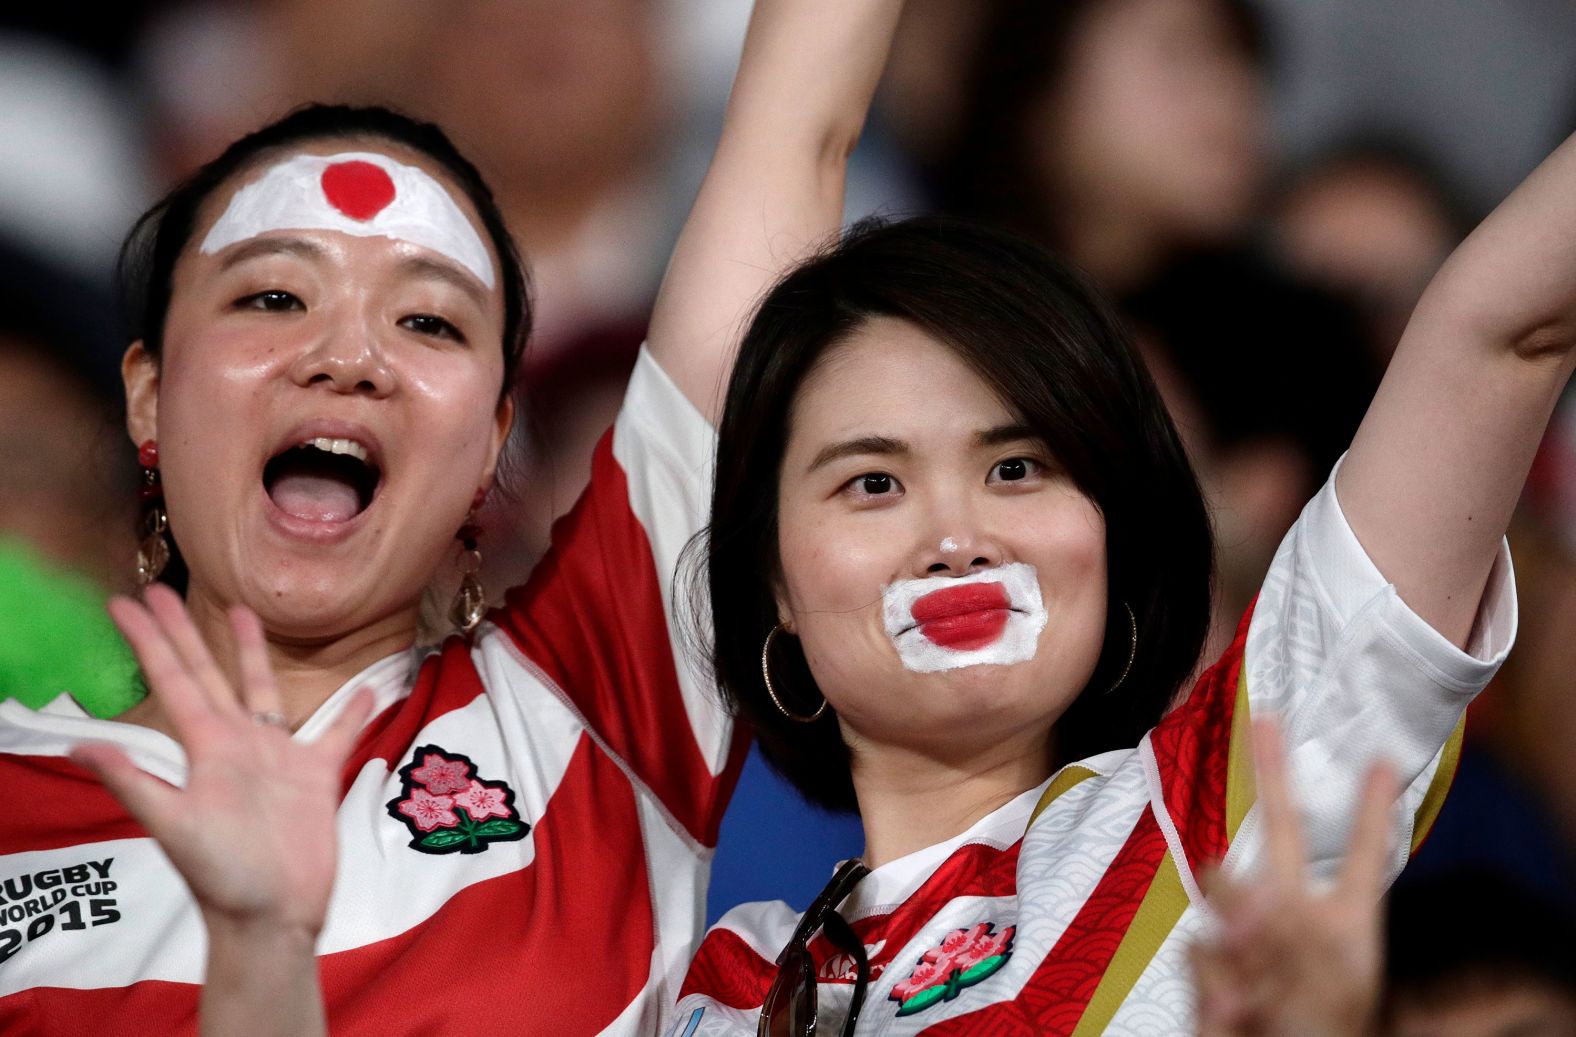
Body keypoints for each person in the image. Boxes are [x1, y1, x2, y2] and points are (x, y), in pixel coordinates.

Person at [0, 1, 904, 1033]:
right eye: (274, 298)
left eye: (425, 318)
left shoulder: (601, 703)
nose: (346, 356)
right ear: (149, 396)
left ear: (488, 443)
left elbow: (800, 127)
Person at [665, 118, 1576, 1027]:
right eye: (873, 482)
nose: (955, 535)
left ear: (1112, 535)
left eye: (1016, 468)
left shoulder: (1214, 817)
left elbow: (1503, 332)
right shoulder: (719, 988)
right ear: (774, 580)